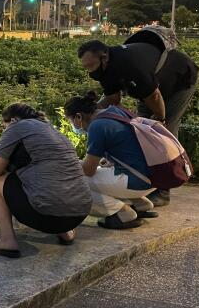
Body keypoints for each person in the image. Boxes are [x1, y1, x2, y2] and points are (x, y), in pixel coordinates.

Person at [77, 39, 199, 206]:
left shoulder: (129, 64)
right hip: (149, 86)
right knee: (137, 130)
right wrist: (90, 110)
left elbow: (154, 96)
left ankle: (163, 187)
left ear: (104, 57)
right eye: (86, 67)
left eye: (91, 66)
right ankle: (142, 179)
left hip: (179, 80)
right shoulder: (106, 70)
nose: (90, 71)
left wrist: (160, 121)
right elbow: (112, 99)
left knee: (160, 134)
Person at [0, 103, 92, 257]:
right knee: (49, 178)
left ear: (12, 120)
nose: (4, 131)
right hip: (79, 214)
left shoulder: (17, 126)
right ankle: (65, 233)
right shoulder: (53, 131)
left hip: (46, 216)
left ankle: (6, 240)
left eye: (3, 127)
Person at [65, 92, 159, 229]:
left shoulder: (97, 126)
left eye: (70, 120)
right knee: (103, 170)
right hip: (154, 177)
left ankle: (122, 213)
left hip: (137, 181)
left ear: (78, 116)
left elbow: (88, 170)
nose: (72, 124)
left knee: (73, 182)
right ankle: (141, 205)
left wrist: (67, 163)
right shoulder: (115, 111)